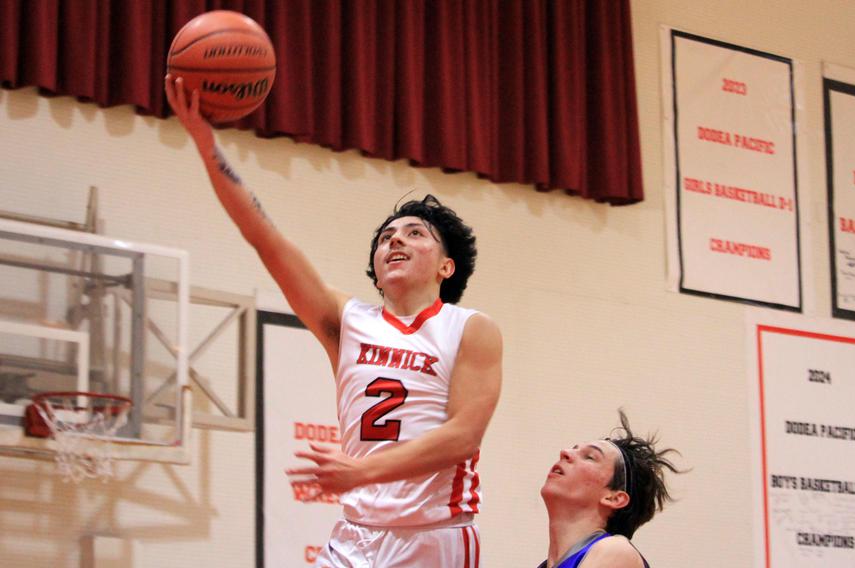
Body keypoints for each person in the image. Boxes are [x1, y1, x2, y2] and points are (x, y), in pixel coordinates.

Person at [165, 75, 502, 567]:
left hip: (434, 536)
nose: (396, 241)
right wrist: (206, 144)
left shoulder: (471, 328)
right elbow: (264, 236)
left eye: (415, 233)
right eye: (386, 237)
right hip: (356, 535)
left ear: (446, 267)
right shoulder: (346, 320)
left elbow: (462, 438)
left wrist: (363, 472)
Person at [538, 410, 682, 568]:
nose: (565, 452)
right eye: (574, 449)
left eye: (590, 457)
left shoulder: (617, 551)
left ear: (614, 498)